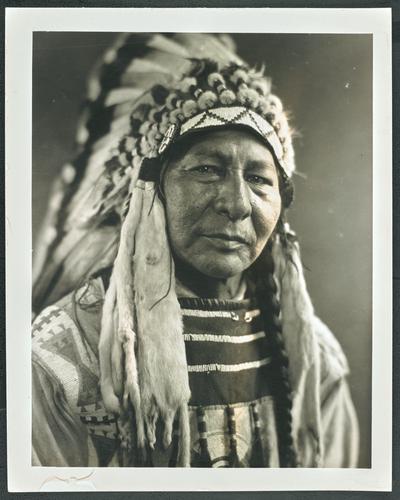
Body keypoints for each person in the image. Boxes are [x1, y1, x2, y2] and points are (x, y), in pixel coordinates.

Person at [31, 33, 359, 468]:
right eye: (207, 169)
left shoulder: (313, 357)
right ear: (148, 195)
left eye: (260, 179)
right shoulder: (65, 357)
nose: (238, 204)